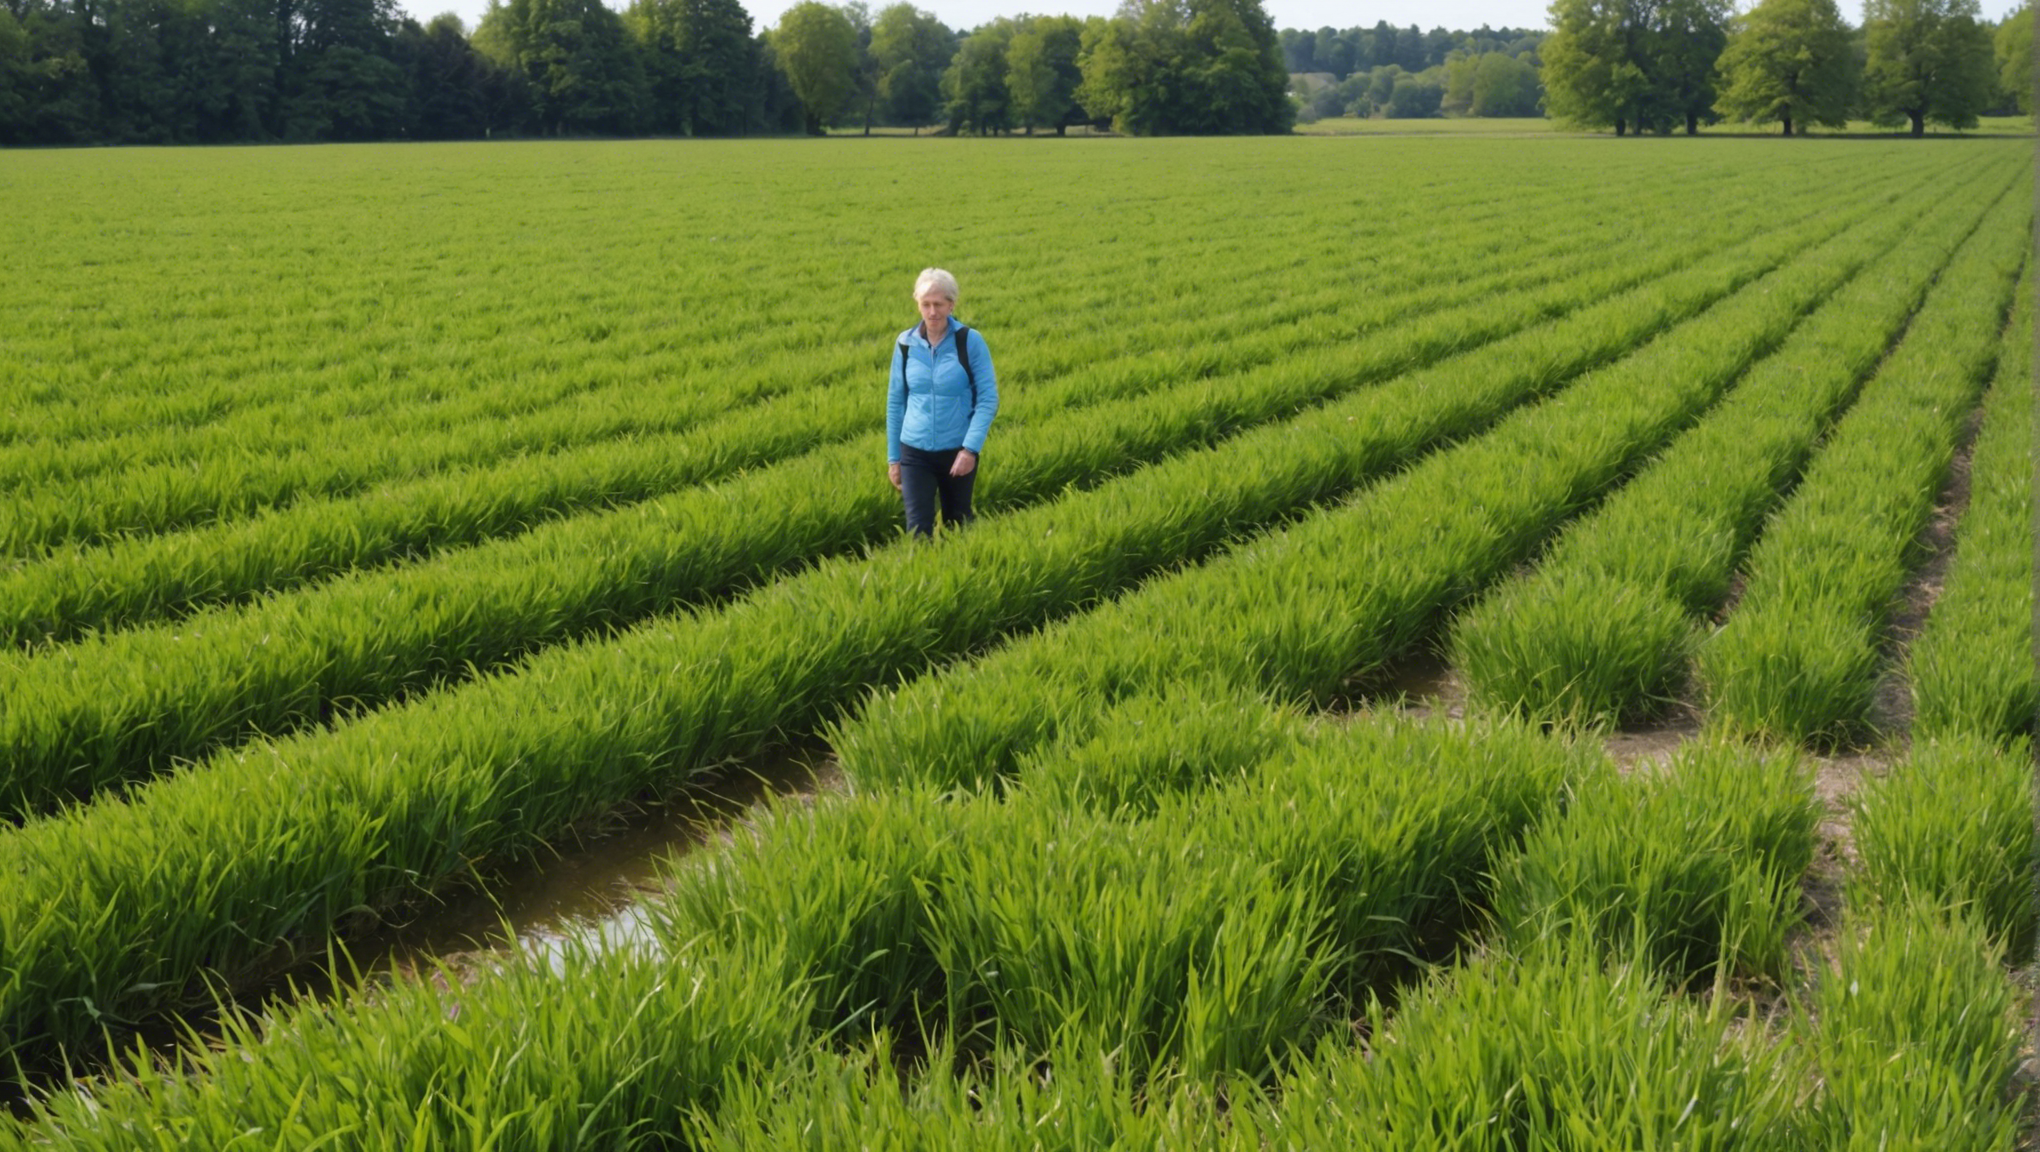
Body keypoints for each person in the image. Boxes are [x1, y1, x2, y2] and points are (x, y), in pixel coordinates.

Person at [886, 267, 998, 536]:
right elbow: (895, 402)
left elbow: (988, 399)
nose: (932, 312)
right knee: (917, 530)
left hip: (956, 450)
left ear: (951, 304)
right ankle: (921, 576)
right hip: (914, 450)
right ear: (918, 304)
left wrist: (970, 450)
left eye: (938, 304)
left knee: (957, 523)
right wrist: (894, 458)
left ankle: (963, 573)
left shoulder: (969, 341)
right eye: (926, 304)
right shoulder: (905, 343)